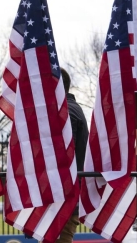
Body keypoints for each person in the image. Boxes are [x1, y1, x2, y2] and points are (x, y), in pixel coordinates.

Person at [56, 67, 89, 243]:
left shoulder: (66, 112)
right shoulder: (72, 109)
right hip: (67, 194)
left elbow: (64, 157)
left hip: (64, 195)